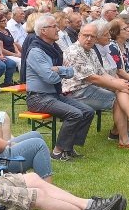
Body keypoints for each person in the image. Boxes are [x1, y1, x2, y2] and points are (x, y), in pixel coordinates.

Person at [64, 23, 129, 149]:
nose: (89, 39)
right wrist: (117, 84)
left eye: (92, 36)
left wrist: (119, 83)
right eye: (86, 36)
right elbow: (92, 77)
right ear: (79, 36)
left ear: (96, 39)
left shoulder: (90, 51)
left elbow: (101, 73)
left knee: (122, 89)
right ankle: (127, 133)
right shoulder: (74, 52)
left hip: (88, 88)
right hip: (76, 92)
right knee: (119, 97)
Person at [24, 14, 94, 161]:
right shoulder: (36, 51)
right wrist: (62, 70)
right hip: (38, 98)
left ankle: (68, 148)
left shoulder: (53, 48)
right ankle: (57, 152)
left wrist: (59, 70)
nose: (58, 29)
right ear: (43, 31)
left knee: (87, 111)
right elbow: (50, 77)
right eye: (54, 26)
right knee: (75, 114)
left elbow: (71, 71)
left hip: (53, 95)